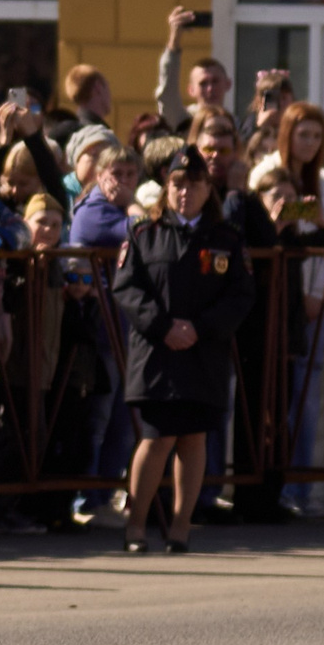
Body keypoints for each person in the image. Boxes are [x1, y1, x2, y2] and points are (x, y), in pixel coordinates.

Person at [111, 145, 255, 553]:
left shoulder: (226, 238)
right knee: (156, 437)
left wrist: (200, 327)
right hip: (158, 352)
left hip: (203, 351)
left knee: (193, 439)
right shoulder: (144, 232)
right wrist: (164, 327)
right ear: (165, 187)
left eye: (193, 184)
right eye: (176, 184)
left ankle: (180, 527)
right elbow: (128, 287)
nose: (184, 191)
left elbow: (241, 295)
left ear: (209, 189)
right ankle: (136, 527)